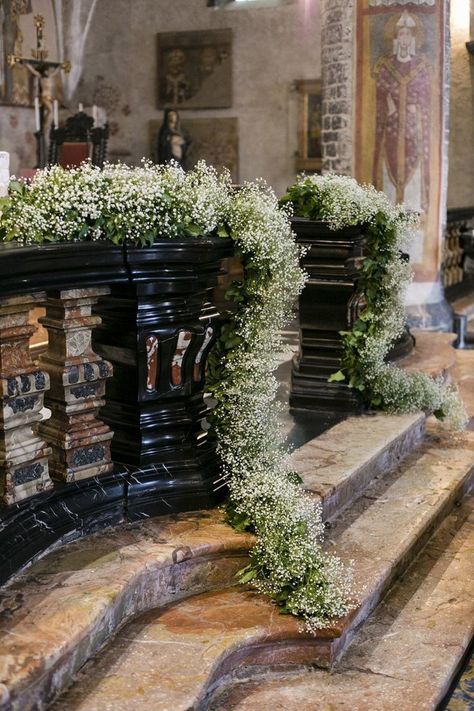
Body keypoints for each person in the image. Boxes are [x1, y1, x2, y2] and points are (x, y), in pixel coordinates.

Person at [372, 11, 431, 211]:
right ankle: (389, 206)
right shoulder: (387, 66)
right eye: (401, 34)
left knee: (413, 160)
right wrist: (388, 103)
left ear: (413, 38)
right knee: (389, 158)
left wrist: (415, 106)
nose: (404, 38)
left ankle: (411, 205)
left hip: (412, 128)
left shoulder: (421, 67)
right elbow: (381, 93)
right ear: (396, 38)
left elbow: (425, 96)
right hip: (392, 127)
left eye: (408, 34)